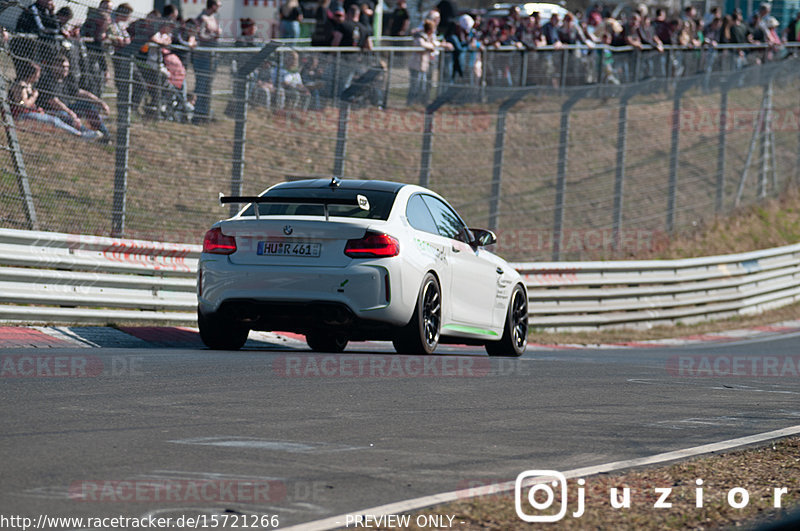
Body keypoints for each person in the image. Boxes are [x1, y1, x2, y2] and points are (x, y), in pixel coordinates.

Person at [8, 60, 100, 140]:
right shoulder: (21, 86)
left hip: (30, 111)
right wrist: (34, 96)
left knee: (58, 116)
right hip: (21, 114)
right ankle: (78, 134)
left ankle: (85, 131)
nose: (38, 77)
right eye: (37, 74)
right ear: (31, 74)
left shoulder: (29, 85)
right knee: (54, 120)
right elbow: (23, 104)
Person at [36, 53, 110, 140]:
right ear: (54, 66)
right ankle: (85, 132)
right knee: (64, 114)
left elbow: (80, 92)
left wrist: (99, 102)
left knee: (87, 105)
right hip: (52, 110)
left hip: (68, 108)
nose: (65, 69)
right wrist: (71, 113)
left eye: (67, 67)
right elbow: (53, 102)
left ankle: (105, 134)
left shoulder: (66, 79)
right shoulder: (46, 80)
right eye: (62, 67)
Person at [193, 0, 222, 123]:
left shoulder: (213, 18)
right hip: (202, 58)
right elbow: (200, 35)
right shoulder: (202, 18)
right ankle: (198, 114)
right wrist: (213, 36)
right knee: (201, 85)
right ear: (213, 5)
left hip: (211, 57)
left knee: (208, 87)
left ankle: (205, 113)